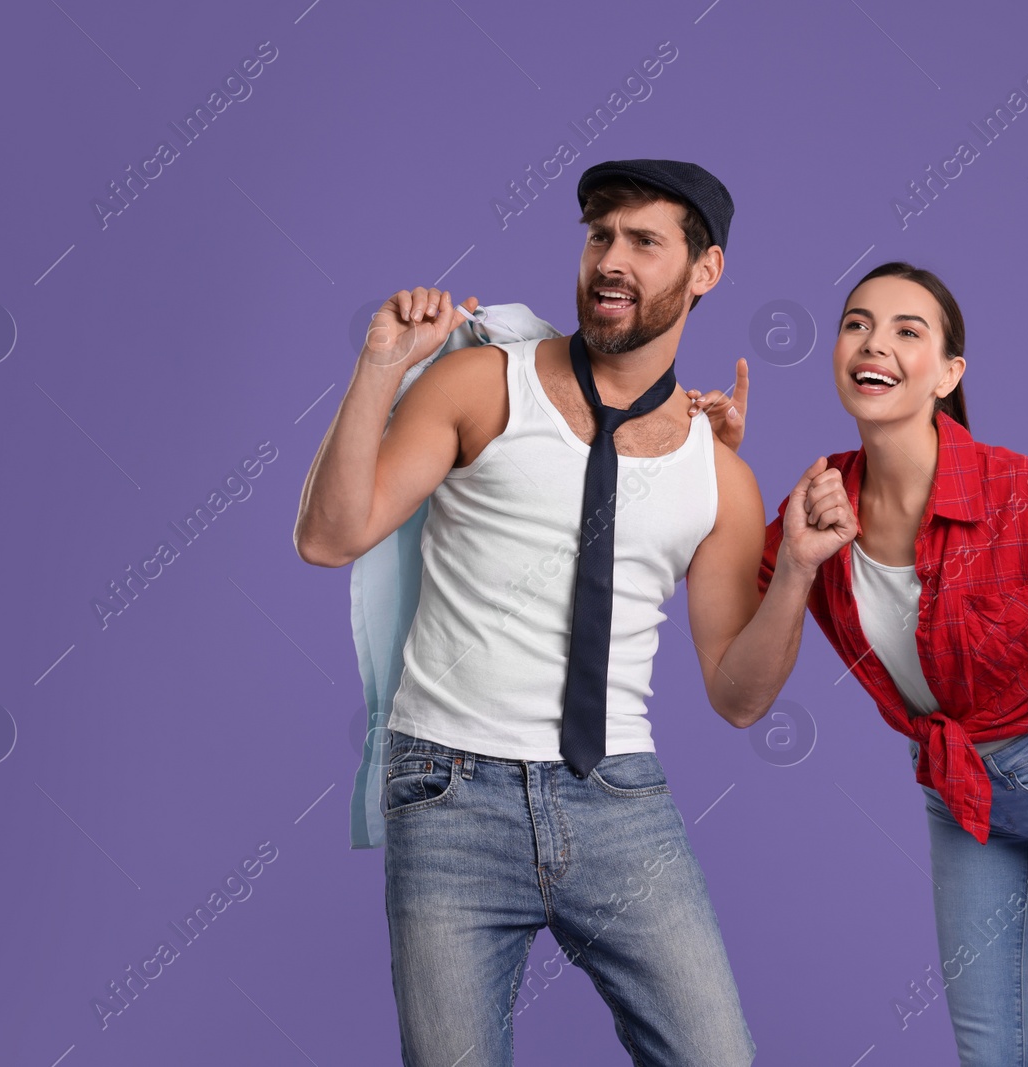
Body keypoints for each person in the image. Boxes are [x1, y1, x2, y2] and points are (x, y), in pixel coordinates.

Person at [292, 159, 824, 1066]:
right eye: (598, 236)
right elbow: (330, 536)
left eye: (644, 242)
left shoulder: (720, 474)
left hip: (618, 797)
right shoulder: (481, 387)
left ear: (706, 271)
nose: (610, 261)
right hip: (450, 792)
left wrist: (798, 572)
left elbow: (738, 696)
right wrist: (380, 369)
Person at [699, 260, 1028, 1065]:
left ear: (949, 373)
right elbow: (740, 696)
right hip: (961, 797)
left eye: (905, 330)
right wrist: (728, 487)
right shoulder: (817, 503)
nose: (872, 342)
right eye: (857, 323)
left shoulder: (1022, 494)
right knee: (990, 1057)